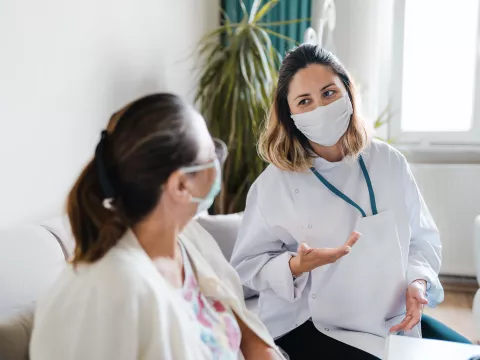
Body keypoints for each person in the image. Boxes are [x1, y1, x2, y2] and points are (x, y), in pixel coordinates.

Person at [230, 45, 470, 359]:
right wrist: (295, 266)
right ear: (289, 115)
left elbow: (421, 239)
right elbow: (247, 266)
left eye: (329, 93)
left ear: (348, 92)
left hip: (389, 316)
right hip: (312, 322)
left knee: (467, 354)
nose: (320, 107)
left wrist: (417, 282)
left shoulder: (388, 161)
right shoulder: (275, 184)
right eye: (305, 101)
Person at [30, 94, 285, 360]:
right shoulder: (109, 291)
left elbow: (246, 331)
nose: (219, 164)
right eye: (211, 155)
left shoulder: (189, 241)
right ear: (180, 185)